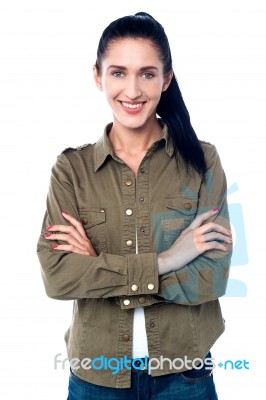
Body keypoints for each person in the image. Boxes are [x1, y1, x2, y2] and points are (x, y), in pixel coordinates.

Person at [37, 11, 232, 400]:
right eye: (118, 72)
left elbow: (212, 277)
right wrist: (168, 260)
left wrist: (97, 266)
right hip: (96, 378)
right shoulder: (71, 170)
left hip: (185, 376)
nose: (132, 90)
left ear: (167, 78)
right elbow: (57, 276)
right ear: (98, 76)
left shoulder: (201, 162)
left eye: (147, 73)